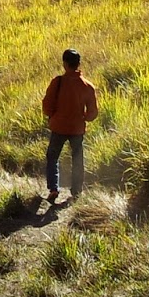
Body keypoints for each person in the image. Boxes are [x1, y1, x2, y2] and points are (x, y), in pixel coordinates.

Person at [42, 48, 99, 202]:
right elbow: (93, 112)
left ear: (65, 64)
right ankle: (76, 191)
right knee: (77, 160)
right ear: (79, 64)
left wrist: (51, 116)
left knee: (53, 157)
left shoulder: (57, 82)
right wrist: (83, 118)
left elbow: (47, 104)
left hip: (58, 127)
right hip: (77, 129)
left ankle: (54, 188)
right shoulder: (87, 86)